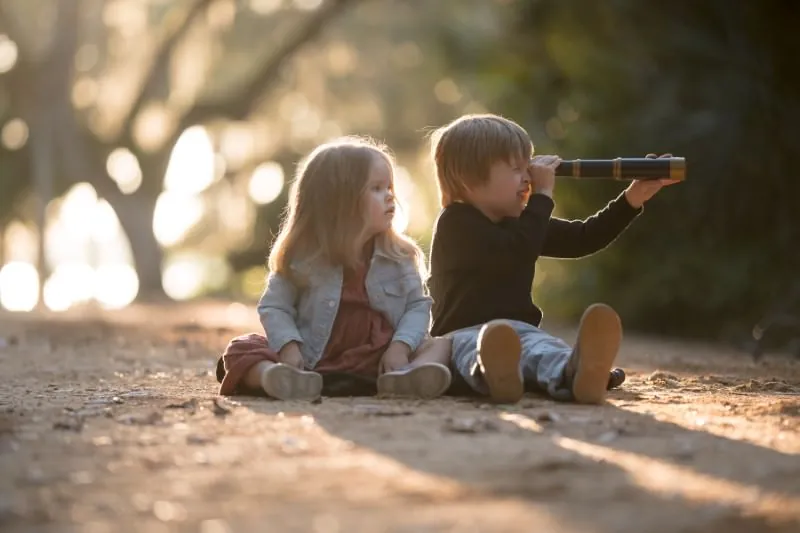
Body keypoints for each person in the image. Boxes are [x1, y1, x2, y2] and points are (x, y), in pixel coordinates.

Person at [427, 114, 678, 404]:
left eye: (528, 167)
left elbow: (583, 237)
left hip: (521, 332)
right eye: (516, 169)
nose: (528, 178)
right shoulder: (456, 224)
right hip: (462, 334)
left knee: (544, 348)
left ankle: (575, 372)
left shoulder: (522, 222)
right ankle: (495, 374)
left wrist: (633, 197)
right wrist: (542, 196)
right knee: (475, 350)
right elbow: (514, 252)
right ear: (469, 179)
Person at [215, 137, 451, 401]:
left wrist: (400, 347)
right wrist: (289, 348)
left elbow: (417, 306)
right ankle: (274, 377)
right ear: (339, 201)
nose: (389, 196)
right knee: (241, 348)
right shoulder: (302, 257)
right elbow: (275, 306)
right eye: (376, 188)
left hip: (380, 362)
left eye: (389, 187)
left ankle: (405, 379)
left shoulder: (400, 256)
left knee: (440, 345)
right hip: (313, 362)